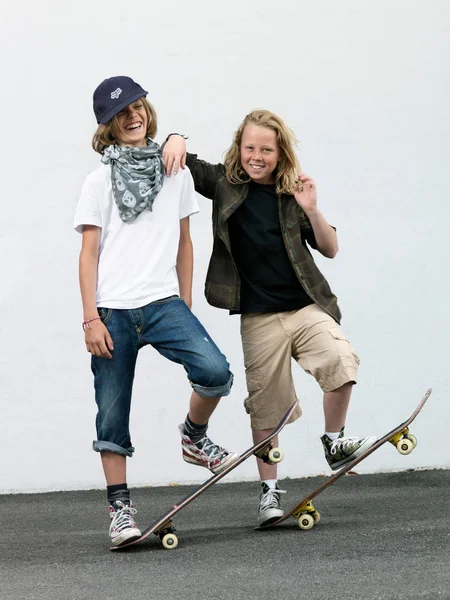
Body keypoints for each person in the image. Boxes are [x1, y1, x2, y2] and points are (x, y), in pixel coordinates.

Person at [163, 109, 376, 526]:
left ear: (280, 153)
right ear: (238, 148)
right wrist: (175, 136)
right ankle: (269, 493)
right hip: (259, 318)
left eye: (266, 149)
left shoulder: (291, 194)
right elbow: (186, 161)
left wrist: (312, 209)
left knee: (340, 359)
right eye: (249, 148)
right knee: (266, 407)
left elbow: (330, 248)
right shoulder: (224, 184)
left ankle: (334, 442)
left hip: (305, 307)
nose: (256, 156)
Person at [74, 76, 238, 546]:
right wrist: (90, 318)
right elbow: (88, 255)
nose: (131, 117)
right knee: (111, 413)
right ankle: (120, 512)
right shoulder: (98, 181)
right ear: (107, 126)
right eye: (120, 114)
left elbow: (186, 242)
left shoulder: (176, 171)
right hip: (113, 312)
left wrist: (184, 304)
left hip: (164, 302)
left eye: (136, 107)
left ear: (147, 110)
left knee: (215, 372)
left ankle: (194, 435)